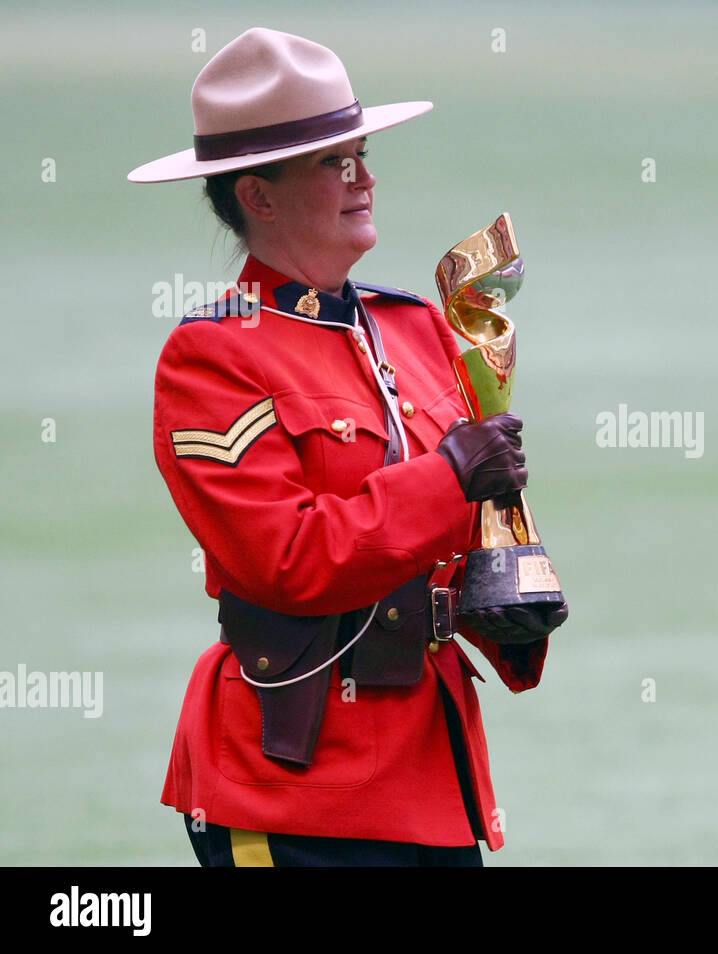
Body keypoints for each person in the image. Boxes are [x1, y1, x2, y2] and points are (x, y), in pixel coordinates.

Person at [128, 27, 567, 866]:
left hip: (432, 774)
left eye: (360, 153)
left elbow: (453, 529)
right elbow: (286, 559)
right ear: (257, 197)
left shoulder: (417, 327)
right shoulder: (213, 354)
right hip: (296, 780)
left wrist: (506, 594)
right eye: (335, 163)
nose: (364, 178)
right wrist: (449, 479)